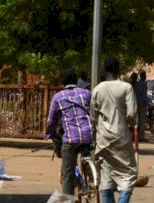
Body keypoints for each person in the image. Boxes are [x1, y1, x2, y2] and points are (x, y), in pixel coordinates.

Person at [90, 57, 138, 203]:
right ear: (118, 69)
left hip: (103, 137)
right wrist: (128, 124)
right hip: (121, 135)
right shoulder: (126, 88)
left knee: (106, 174)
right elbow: (131, 114)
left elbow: (93, 116)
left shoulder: (97, 89)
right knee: (129, 173)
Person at [46, 68, 95, 196]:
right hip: (89, 136)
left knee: (67, 173)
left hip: (70, 138)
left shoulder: (58, 97)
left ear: (63, 82)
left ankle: (68, 197)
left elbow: (51, 121)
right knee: (86, 152)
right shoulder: (86, 94)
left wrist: (49, 134)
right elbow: (94, 112)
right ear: (76, 81)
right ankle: (91, 178)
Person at [133, 71, 148, 142]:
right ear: (144, 77)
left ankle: (134, 136)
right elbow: (144, 96)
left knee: (136, 121)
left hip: (135, 104)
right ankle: (141, 137)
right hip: (142, 105)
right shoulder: (144, 84)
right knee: (142, 121)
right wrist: (145, 104)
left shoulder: (136, 84)